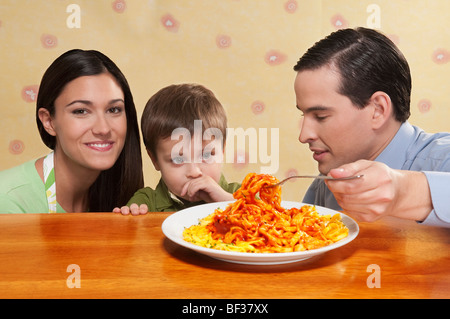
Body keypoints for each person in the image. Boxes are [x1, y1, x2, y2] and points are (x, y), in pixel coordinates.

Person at [293, 27, 450, 227]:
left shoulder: (442, 159)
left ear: (378, 109)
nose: (304, 135)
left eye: (321, 116)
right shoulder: (328, 184)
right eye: (303, 114)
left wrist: (404, 191)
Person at [0, 49, 144, 213]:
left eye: (113, 110)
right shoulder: (7, 202)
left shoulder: (118, 195)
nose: (103, 129)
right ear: (49, 121)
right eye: (81, 111)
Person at [114, 83, 240, 215]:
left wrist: (224, 201)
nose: (194, 172)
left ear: (222, 151)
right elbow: (126, 231)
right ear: (155, 160)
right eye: (178, 159)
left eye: (207, 155)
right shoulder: (145, 202)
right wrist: (130, 219)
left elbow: (261, 221)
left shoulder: (243, 196)